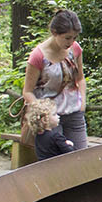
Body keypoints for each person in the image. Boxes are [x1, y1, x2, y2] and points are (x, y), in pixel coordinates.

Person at [23, 10, 87, 152]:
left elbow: (80, 78)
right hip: (50, 118)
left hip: (74, 112)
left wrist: (82, 103)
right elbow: (27, 91)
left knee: (82, 156)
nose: (71, 42)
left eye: (74, 38)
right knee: (57, 160)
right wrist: (42, 112)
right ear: (54, 32)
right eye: (67, 38)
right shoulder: (38, 56)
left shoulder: (75, 49)